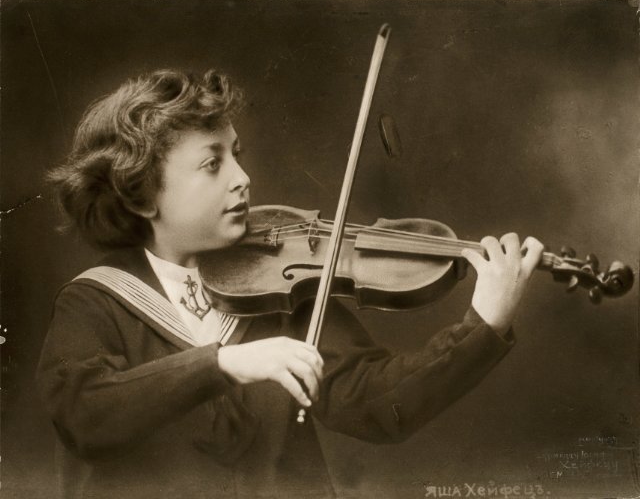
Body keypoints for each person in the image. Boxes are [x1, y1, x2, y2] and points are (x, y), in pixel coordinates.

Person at [37, 69, 544, 499]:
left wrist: (484, 324)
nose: (242, 177)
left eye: (237, 154)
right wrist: (224, 362)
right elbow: (86, 415)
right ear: (142, 196)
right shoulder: (94, 302)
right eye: (213, 163)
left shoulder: (278, 289)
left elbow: (378, 405)